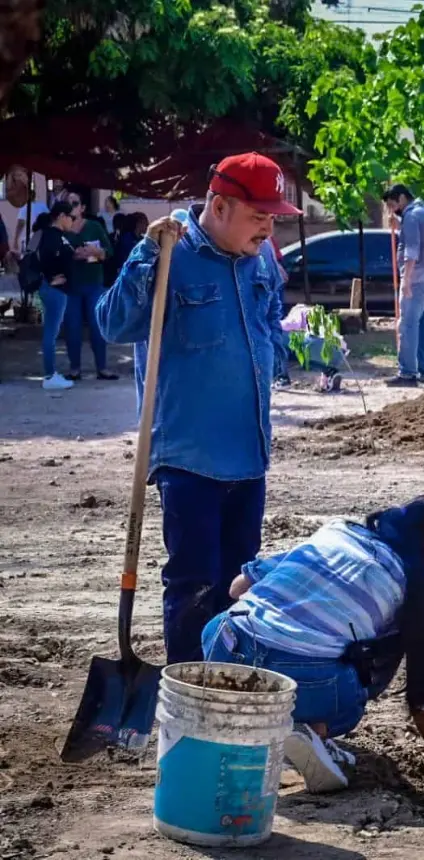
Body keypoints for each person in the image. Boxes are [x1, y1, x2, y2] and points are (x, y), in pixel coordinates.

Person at [97, 152, 298, 664]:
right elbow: (113, 325)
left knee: (238, 582)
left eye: (274, 218)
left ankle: (226, 681)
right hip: (188, 455)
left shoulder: (261, 260)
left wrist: (275, 347)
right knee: (193, 582)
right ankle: (187, 688)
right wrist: (145, 254)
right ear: (219, 205)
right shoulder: (169, 254)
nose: (268, 228)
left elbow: (270, 313)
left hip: (249, 453)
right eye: (259, 216)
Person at [203, 495, 424, 792]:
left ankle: (247, 715)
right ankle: (307, 728)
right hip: (296, 675)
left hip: (222, 641)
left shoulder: (339, 531)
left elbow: (238, 586)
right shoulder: (410, 589)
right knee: (360, 680)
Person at [382, 184, 424, 387]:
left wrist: (406, 281)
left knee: (407, 326)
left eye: (392, 204)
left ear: (401, 198)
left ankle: (407, 374)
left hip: (416, 281)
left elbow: (412, 250)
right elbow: (422, 239)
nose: (392, 210)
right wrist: (399, 227)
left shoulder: (411, 216)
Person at [62, 187, 117, 381]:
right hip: (71, 286)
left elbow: (109, 252)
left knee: (97, 325)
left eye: (75, 203)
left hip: (94, 283)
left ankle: (102, 368)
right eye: (68, 204)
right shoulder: (62, 228)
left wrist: (95, 252)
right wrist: (73, 255)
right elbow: (55, 255)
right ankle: (75, 368)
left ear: (83, 207)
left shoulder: (94, 226)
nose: (71, 207)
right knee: (73, 327)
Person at [35, 204, 78, 391]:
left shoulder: (51, 235)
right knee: (51, 334)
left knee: (51, 333)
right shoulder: (51, 236)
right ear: (61, 216)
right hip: (54, 291)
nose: (73, 221)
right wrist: (51, 277)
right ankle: (50, 375)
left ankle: (51, 374)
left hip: (56, 290)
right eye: (71, 217)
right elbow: (44, 258)